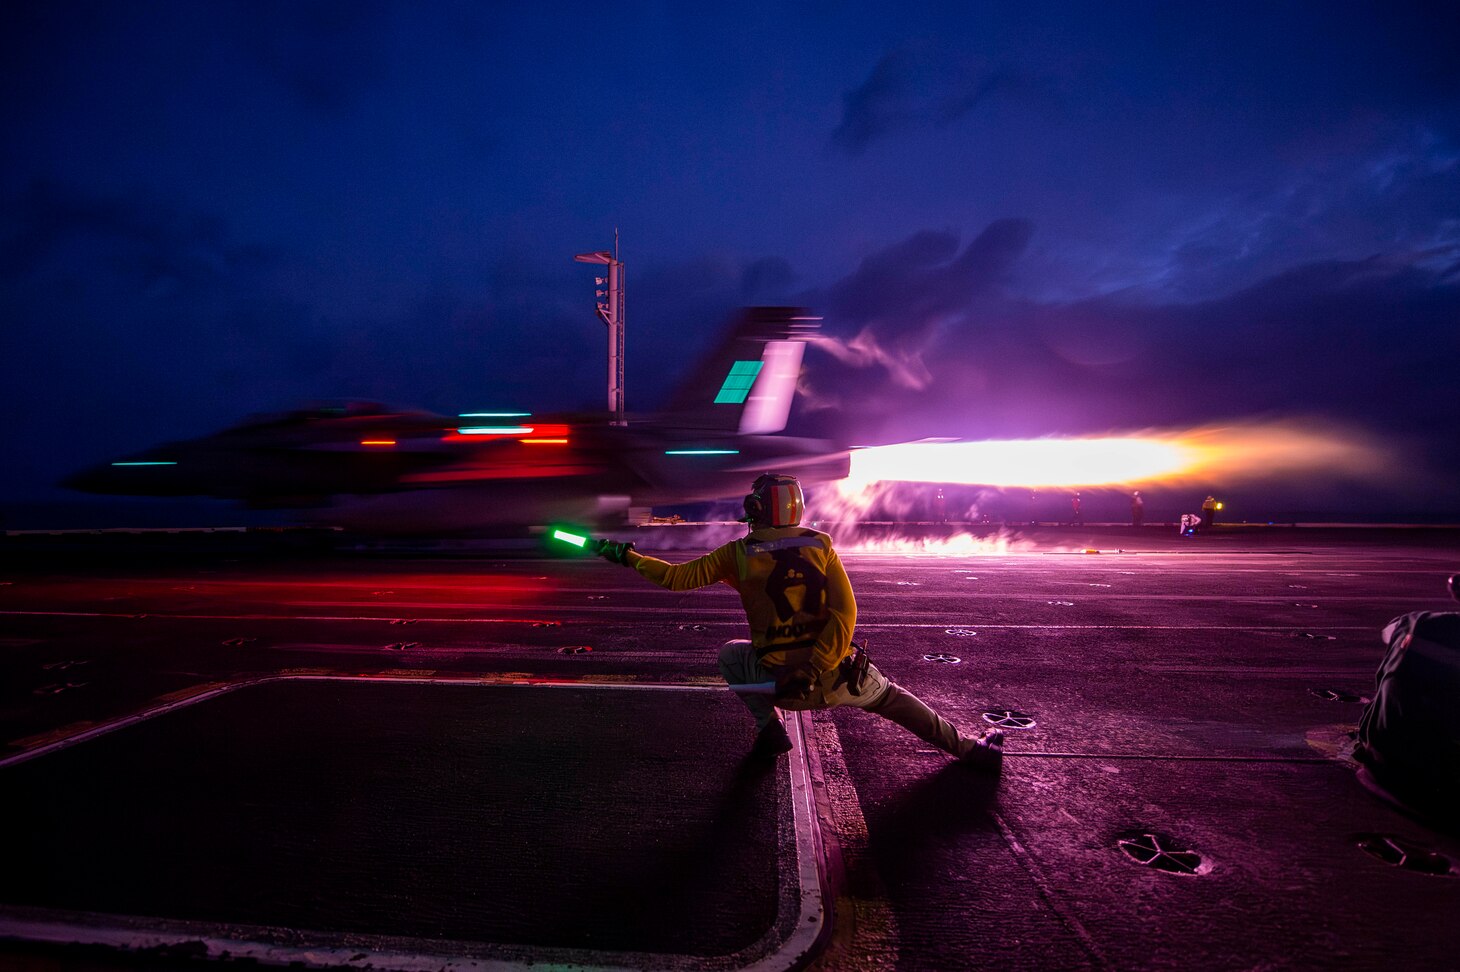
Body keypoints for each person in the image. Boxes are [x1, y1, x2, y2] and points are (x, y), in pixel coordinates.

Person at [595, 473, 1005, 770]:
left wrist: (626, 555)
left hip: (781, 686)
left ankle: (768, 728)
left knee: (730, 657)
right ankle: (970, 750)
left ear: (756, 509)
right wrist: (813, 668)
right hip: (840, 678)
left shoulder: (737, 553)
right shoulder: (821, 545)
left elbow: (673, 578)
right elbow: (846, 613)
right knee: (894, 700)